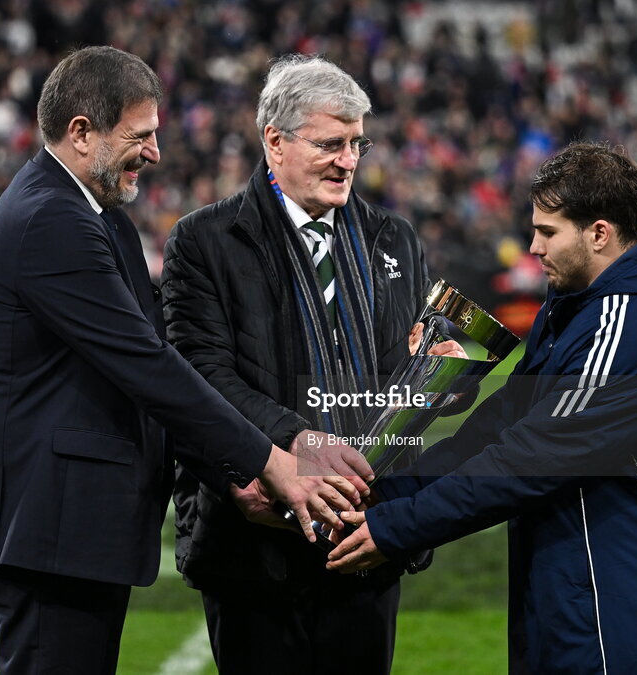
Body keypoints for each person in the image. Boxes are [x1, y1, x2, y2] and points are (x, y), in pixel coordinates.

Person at [0, 46, 370, 675]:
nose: (154, 152)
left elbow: (159, 362)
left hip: (73, 527)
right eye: (141, 135)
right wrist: (269, 461)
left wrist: (231, 473)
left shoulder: (100, 219)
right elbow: (147, 366)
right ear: (82, 132)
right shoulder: (49, 221)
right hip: (45, 528)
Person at [328, 142, 637, 674]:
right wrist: (385, 492)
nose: (531, 248)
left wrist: (394, 529)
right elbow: (499, 425)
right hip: (598, 585)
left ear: (599, 233)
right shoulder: (575, 307)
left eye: (547, 232)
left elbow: (527, 458)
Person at [161, 54, 466, 674]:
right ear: (274, 141)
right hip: (257, 546)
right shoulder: (204, 241)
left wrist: (443, 379)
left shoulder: (393, 237)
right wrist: (292, 446)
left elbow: (406, 373)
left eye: (358, 144)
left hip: (365, 540)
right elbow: (200, 376)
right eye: (330, 144)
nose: (348, 161)